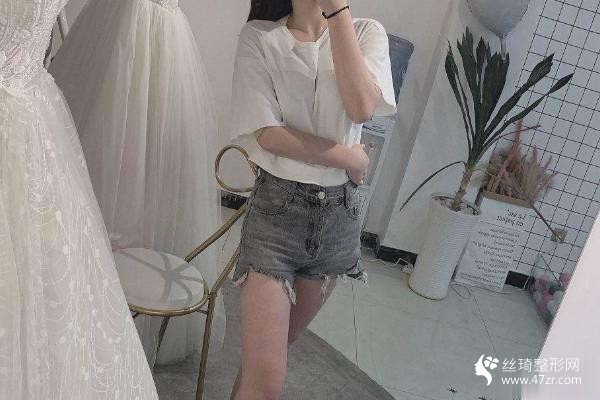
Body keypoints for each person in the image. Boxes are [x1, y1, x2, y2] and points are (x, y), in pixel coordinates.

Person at [229, 0, 397, 398]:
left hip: (338, 220)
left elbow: (362, 106)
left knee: (269, 359)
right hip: (277, 215)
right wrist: (350, 158)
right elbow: (268, 134)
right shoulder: (260, 36)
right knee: (267, 378)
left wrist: (337, 11)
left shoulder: (366, 32)